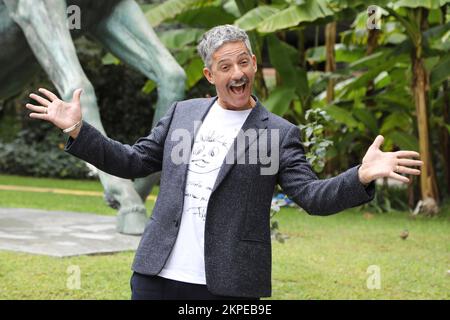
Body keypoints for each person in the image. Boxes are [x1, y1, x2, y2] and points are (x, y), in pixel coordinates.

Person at [25, 25, 423, 300]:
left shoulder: (279, 133)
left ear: (252, 63)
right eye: (226, 66)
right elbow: (133, 161)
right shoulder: (183, 113)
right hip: (155, 276)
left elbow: (311, 196)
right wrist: (78, 129)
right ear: (209, 74)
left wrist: (361, 175)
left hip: (226, 284)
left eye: (243, 62)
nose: (238, 73)